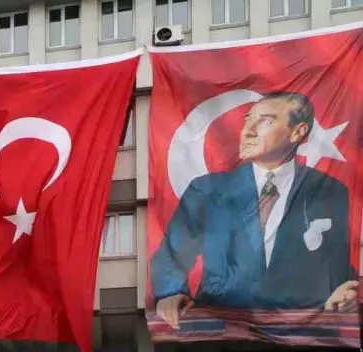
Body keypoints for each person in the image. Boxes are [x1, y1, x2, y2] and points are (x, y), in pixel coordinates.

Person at [152, 92, 355, 328]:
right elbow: (172, 252)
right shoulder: (207, 190)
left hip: (302, 334)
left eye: (265, 121)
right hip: (223, 332)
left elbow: (335, 262)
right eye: (248, 120)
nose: (247, 131)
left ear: (297, 132)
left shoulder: (328, 191)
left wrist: (346, 291)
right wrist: (170, 292)